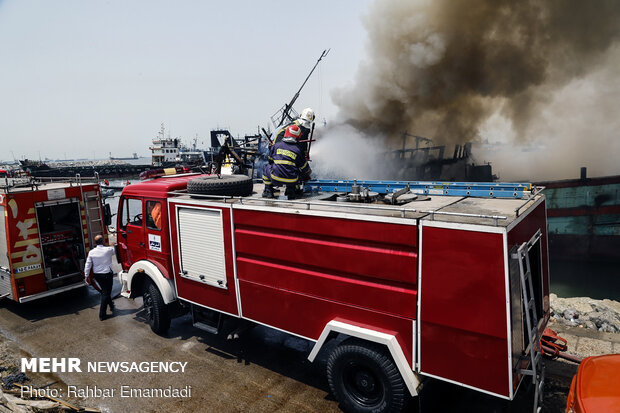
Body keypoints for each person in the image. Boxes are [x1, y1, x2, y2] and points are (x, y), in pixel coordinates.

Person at [262, 124, 312, 199]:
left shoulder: (276, 146)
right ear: (298, 137)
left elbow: (270, 160)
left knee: (266, 167)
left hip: (275, 178)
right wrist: (308, 171)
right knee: (297, 170)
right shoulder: (298, 150)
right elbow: (305, 169)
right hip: (292, 180)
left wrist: (272, 148)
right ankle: (291, 191)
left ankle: (268, 191)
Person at [84, 234, 116, 321]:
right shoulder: (108, 250)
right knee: (106, 292)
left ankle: (111, 306)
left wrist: (86, 276)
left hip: (97, 275)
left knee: (105, 291)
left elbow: (88, 265)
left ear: (95, 242)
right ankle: (102, 314)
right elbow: (116, 250)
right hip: (107, 274)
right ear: (102, 241)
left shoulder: (91, 252)